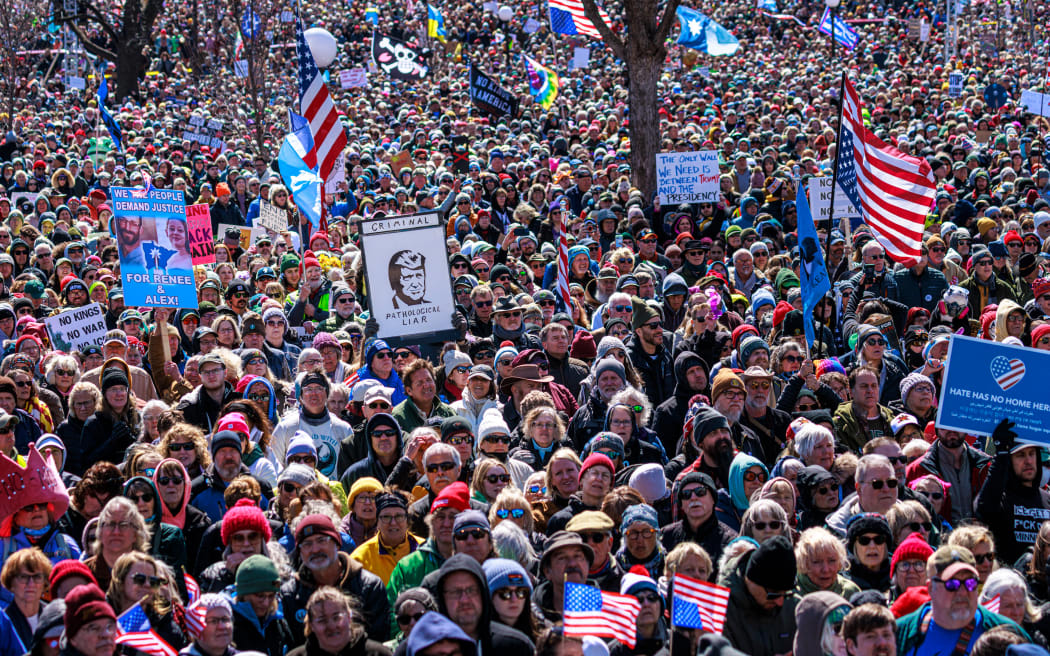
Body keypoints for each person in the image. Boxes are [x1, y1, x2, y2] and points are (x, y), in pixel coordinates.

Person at [895, 545, 1024, 655]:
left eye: (970, 583)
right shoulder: (901, 635)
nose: (962, 592)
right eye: (952, 584)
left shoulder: (1009, 634)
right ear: (930, 588)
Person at [280, 513, 390, 642]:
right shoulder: (290, 594)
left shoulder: (369, 586)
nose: (315, 549)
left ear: (337, 543)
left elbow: (378, 640)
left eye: (322, 540)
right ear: (300, 552)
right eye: (307, 544)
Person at [721, 535, 799, 656]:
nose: (780, 602)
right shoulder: (722, 610)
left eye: (786, 594)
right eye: (774, 594)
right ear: (751, 580)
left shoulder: (796, 607)